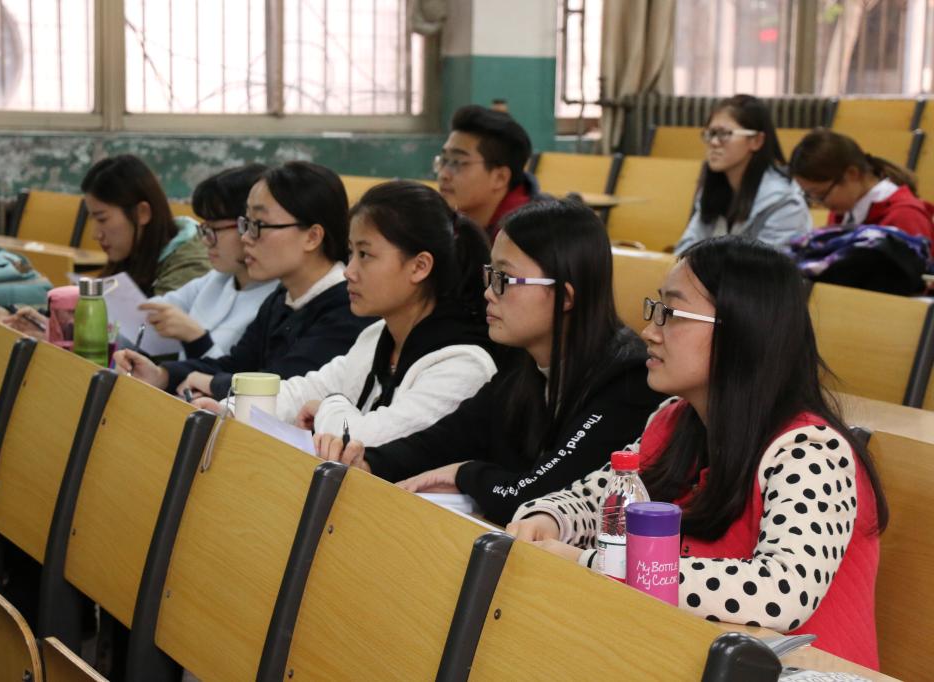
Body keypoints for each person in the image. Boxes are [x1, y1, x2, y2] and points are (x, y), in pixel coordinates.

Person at [507, 236, 887, 669]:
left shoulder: (811, 451)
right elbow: (595, 501)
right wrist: (548, 519)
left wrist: (593, 562)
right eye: (656, 309)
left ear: (740, 332)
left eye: (671, 314)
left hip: (800, 672)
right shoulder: (673, 422)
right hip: (699, 658)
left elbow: (779, 593)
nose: (649, 331)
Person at [316, 200, 664, 525]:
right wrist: (369, 461)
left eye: (504, 279)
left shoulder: (627, 381)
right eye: (490, 275)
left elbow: (539, 497)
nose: (488, 292)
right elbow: (447, 438)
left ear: (565, 297)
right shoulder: (523, 362)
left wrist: (465, 473)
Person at [198, 181, 498, 447]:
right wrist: (232, 409)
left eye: (365, 255)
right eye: (351, 253)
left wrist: (328, 406)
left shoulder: (463, 363)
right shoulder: (375, 336)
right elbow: (305, 390)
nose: (349, 272)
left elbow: (368, 441)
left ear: (419, 267)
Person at [115, 161, 372, 399]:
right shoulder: (281, 299)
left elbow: (285, 388)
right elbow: (236, 364)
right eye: (245, 224)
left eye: (259, 225)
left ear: (312, 237)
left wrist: (214, 384)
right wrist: (161, 375)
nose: (246, 238)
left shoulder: (347, 307)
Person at [0, 154, 210, 330]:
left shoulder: (189, 266)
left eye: (102, 219)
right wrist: (12, 315)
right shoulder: (137, 253)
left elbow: (149, 340)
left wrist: (52, 334)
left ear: (142, 213)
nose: (95, 234)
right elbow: (95, 318)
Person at [139, 164, 279, 359]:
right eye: (205, 229)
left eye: (215, 229)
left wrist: (195, 338)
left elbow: (236, 373)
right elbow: (150, 312)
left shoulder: (277, 301)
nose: (206, 240)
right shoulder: (216, 279)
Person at [674, 95, 811, 255]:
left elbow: (769, 266)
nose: (714, 142)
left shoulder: (785, 201)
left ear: (756, 141)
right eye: (710, 133)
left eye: (724, 134)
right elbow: (685, 251)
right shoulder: (713, 190)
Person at [789, 128, 934, 242]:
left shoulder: (905, 215)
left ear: (852, 174)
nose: (820, 203)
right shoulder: (843, 212)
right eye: (811, 195)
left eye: (821, 194)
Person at [435, 104, 538, 241]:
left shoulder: (531, 238)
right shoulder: (448, 224)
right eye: (443, 160)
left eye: (457, 162)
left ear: (500, 178)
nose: (443, 175)